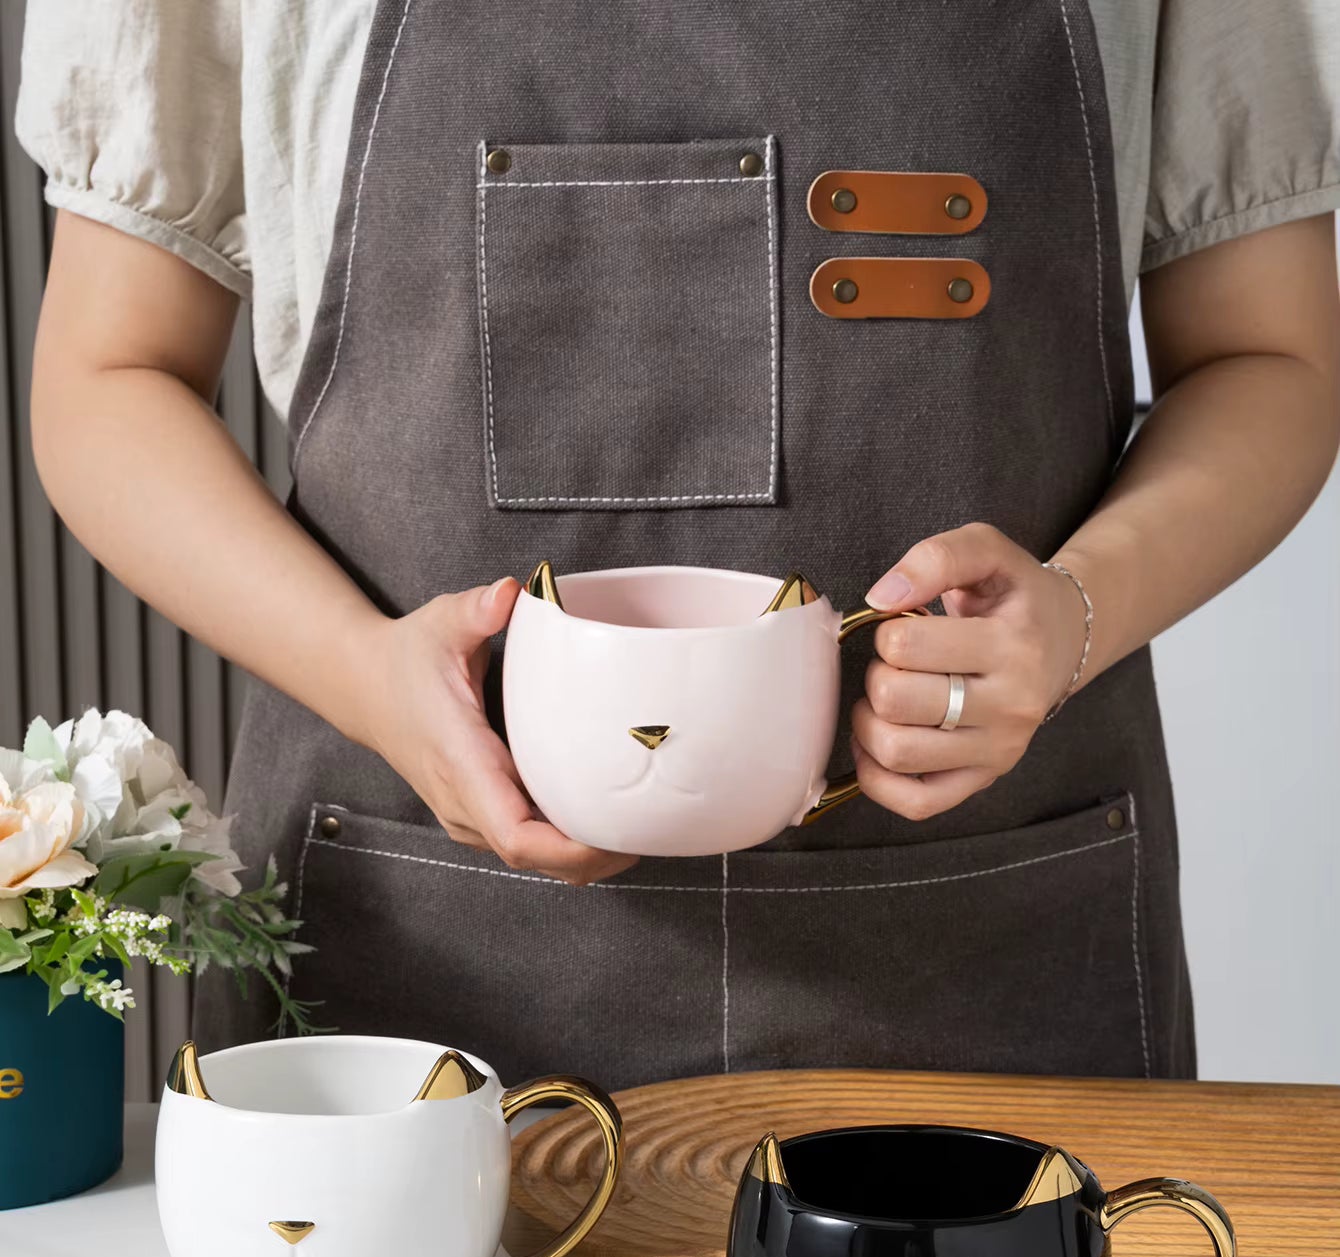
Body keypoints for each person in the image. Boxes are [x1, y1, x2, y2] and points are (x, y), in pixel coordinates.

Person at [17, 2, 1340, 1089]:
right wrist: (372, 675)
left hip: (991, 963)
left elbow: (1269, 354)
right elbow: (107, 370)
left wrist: (1078, 614)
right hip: (409, 997)